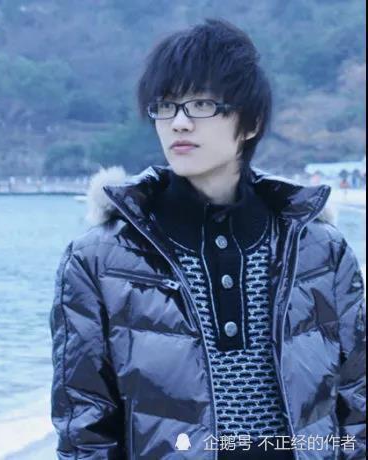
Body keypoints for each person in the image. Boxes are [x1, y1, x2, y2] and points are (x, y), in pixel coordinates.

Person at [49, 19, 366, 460]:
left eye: (201, 104)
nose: (179, 123)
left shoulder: (321, 252)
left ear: (251, 123)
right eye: (166, 106)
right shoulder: (98, 260)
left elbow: (357, 403)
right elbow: (84, 428)